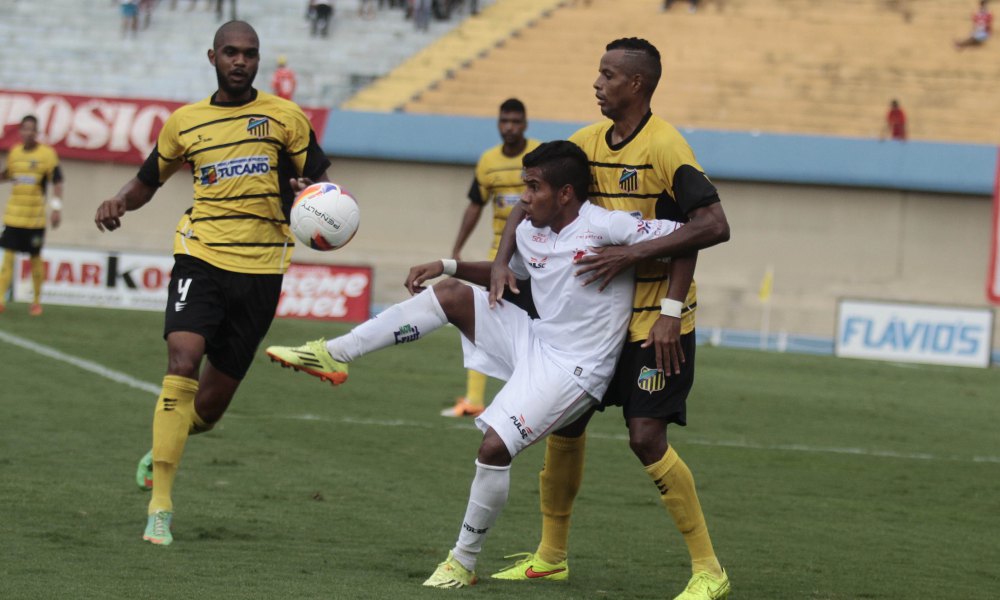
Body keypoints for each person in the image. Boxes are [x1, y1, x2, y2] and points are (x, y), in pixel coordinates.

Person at [264, 140, 685, 587]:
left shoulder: (607, 225)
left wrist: (670, 311)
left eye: (534, 187)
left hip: (575, 369)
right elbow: (511, 262)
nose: (524, 198)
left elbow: (684, 239)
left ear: (565, 193)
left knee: (493, 448)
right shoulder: (532, 228)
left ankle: (462, 562)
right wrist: (447, 264)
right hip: (534, 340)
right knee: (449, 293)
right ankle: (335, 354)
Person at [487, 38, 731, 599]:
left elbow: (709, 226)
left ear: (636, 85)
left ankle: (708, 570)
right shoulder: (584, 143)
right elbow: (530, 198)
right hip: (596, 325)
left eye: (607, 74)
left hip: (657, 325)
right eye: (599, 72)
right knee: (565, 424)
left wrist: (665, 303)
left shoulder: (668, 147)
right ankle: (551, 557)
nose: (597, 82)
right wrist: (502, 262)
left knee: (645, 438)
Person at [94, 20, 331, 547]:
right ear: (213, 57)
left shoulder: (285, 117)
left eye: (249, 53)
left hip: (263, 268)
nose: (240, 61)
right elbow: (147, 180)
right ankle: (161, 508)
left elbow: (319, 180)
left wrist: (307, 192)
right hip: (199, 256)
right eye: (231, 52)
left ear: (258, 60)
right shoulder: (185, 123)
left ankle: (165, 442)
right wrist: (118, 202)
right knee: (181, 363)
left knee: (209, 409)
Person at [444, 98, 540, 418]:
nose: (509, 127)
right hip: (498, 258)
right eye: (504, 121)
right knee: (484, 322)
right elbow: (476, 204)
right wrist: (457, 246)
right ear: (498, 124)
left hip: (539, 257)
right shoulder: (488, 162)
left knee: (535, 328)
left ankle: (532, 394)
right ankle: (473, 399)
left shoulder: (539, 155)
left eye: (515, 121)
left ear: (525, 124)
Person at [0, 115, 64, 317]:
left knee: (35, 258)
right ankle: (0, 300)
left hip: (35, 218)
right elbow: (8, 174)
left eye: (32, 129)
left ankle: (36, 302)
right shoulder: (15, 152)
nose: (28, 133)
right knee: (7, 258)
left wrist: (56, 208)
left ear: (37, 132)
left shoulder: (47, 154)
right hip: (13, 216)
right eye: (24, 129)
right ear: (20, 132)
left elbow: (58, 181)